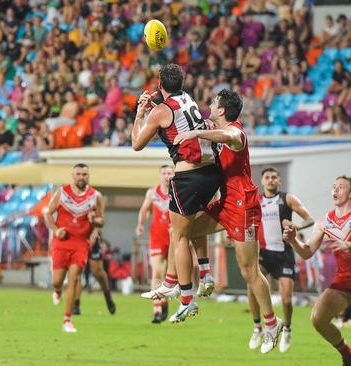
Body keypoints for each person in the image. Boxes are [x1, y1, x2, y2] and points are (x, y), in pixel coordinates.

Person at [168, 89, 283, 353]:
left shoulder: (235, 132)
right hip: (225, 201)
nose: (209, 105)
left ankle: (271, 323)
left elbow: (230, 136)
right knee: (186, 230)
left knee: (249, 271)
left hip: (243, 205)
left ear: (222, 110)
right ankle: (203, 276)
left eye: (214, 103)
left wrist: (198, 133)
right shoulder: (216, 127)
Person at [131, 64, 223, 322]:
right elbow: (172, 106)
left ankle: (186, 298)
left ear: (160, 83)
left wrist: (140, 114)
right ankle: (198, 275)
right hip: (211, 172)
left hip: (188, 176)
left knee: (178, 235)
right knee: (190, 226)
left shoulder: (160, 111)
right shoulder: (187, 98)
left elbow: (137, 144)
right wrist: (156, 100)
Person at [283, 176, 351, 366]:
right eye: (333, 187)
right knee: (318, 319)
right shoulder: (324, 221)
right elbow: (307, 252)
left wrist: (350, 245)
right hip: (344, 278)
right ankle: (348, 354)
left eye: (341, 187)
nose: (335, 191)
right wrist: (293, 240)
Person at [248, 167, 314, 353]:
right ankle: (257, 328)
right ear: (262, 182)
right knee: (251, 286)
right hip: (264, 253)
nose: (270, 180)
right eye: (267, 177)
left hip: (284, 254)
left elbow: (310, 219)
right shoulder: (256, 201)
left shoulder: (288, 199)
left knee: (286, 299)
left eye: (274, 177)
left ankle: (287, 329)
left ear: (279, 181)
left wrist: (297, 225)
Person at [44, 163, 105, 333]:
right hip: (62, 242)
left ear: (88, 176)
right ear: (73, 176)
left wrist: (94, 220)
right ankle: (57, 290)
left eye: (84, 174)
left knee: (74, 278)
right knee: (57, 280)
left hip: (80, 243)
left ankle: (67, 320)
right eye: (78, 174)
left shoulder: (95, 196)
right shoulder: (62, 193)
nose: (81, 177)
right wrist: (56, 230)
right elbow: (48, 213)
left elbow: (102, 220)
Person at [135, 165, 174, 323]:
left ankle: (164, 300)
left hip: (174, 238)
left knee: (168, 274)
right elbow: (144, 209)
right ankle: (157, 309)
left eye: (169, 173)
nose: (166, 176)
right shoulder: (152, 193)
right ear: (160, 175)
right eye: (164, 173)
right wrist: (140, 224)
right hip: (157, 238)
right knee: (157, 272)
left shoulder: (178, 191)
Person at [72, 228, 116, 316]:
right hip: (78, 238)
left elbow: (100, 219)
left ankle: (108, 297)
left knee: (98, 273)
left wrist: (95, 232)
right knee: (76, 272)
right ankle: (76, 305)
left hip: (92, 238)